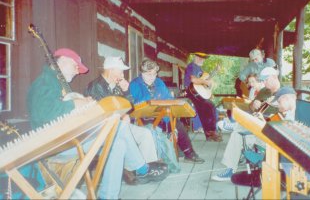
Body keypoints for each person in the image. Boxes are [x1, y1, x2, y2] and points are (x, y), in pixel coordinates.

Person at [27, 48, 167, 199]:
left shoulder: (56, 84)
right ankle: (142, 169)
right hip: (55, 146)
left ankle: (108, 196)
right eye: (76, 67)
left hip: (70, 139)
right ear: (63, 61)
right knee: (118, 126)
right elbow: (44, 115)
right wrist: (76, 104)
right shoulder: (43, 83)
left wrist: (125, 94)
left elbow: (127, 107)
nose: (77, 72)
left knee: (118, 143)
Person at [211, 85, 297, 181]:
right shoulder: (291, 113)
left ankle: (234, 127)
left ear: (286, 98)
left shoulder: (297, 115)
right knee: (237, 134)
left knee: (239, 132)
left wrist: (263, 123)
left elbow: (281, 138)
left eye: (279, 102)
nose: (279, 105)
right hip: (271, 141)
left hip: (275, 147)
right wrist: (263, 120)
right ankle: (230, 169)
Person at [85, 56, 159, 164]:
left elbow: (130, 109)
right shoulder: (96, 86)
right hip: (103, 129)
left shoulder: (116, 85)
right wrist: (122, 115)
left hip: (118, 125)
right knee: (129, 137)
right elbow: (103, 114)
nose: (122, 76)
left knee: (145, 133)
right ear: (111, 70)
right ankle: (137, 168)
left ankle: (149, 166)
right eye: (120, 72)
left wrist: (126, 91)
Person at [129, 58, 205, 163]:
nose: (152, 77)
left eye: (154, 74)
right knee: (155, 128)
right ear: (142, 73)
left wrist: (169, 103)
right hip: (145, 118)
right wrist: (152, 100)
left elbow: (168, 98)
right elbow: (136, 104)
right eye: (148, 75)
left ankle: (189, 153)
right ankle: (158, 158)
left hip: (162, 116)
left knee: (178, 125)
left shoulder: (159, 82)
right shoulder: (134, 84)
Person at [184, 52, 222, 142]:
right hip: (191, 93)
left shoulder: (200, 69)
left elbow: (203, 83)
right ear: (195, 57)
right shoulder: (192, 66)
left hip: (198, 93)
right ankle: (210, 132)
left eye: (203, 58)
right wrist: (205, 83)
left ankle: (210, 132)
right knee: (210, 106)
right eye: (199, 57)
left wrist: (207, 87)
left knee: (210, 106)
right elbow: (193, 80)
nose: (202, 59)